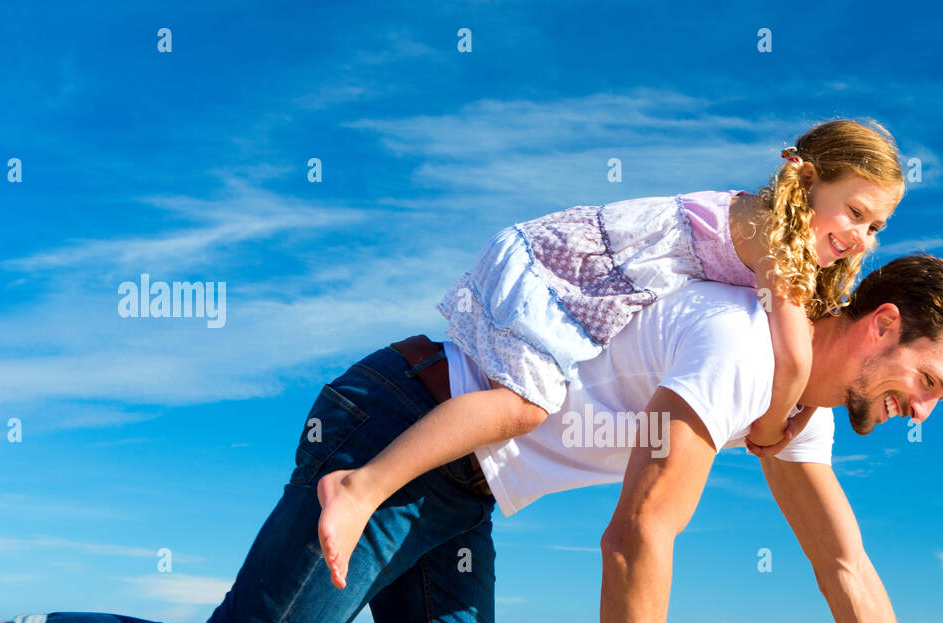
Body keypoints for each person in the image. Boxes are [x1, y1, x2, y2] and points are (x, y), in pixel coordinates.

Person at [0, 254, 943, 623]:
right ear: (878, 325)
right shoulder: (741, 343)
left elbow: (841, 561)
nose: (919, 412)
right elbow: (639, 530)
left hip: (468, 496)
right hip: (397, 425)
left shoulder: (796, 408)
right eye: (928, 384)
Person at [314, 118, 904, 589]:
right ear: (805, 183)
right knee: (522, 406)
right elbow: (796, 359)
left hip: (588, 283)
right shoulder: (779, 241)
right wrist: (774, 427)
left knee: (521, 403)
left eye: (876, 226)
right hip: (563, 274)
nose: (862, 238)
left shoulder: (783, 236)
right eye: (854, 213)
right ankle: (359, 487)